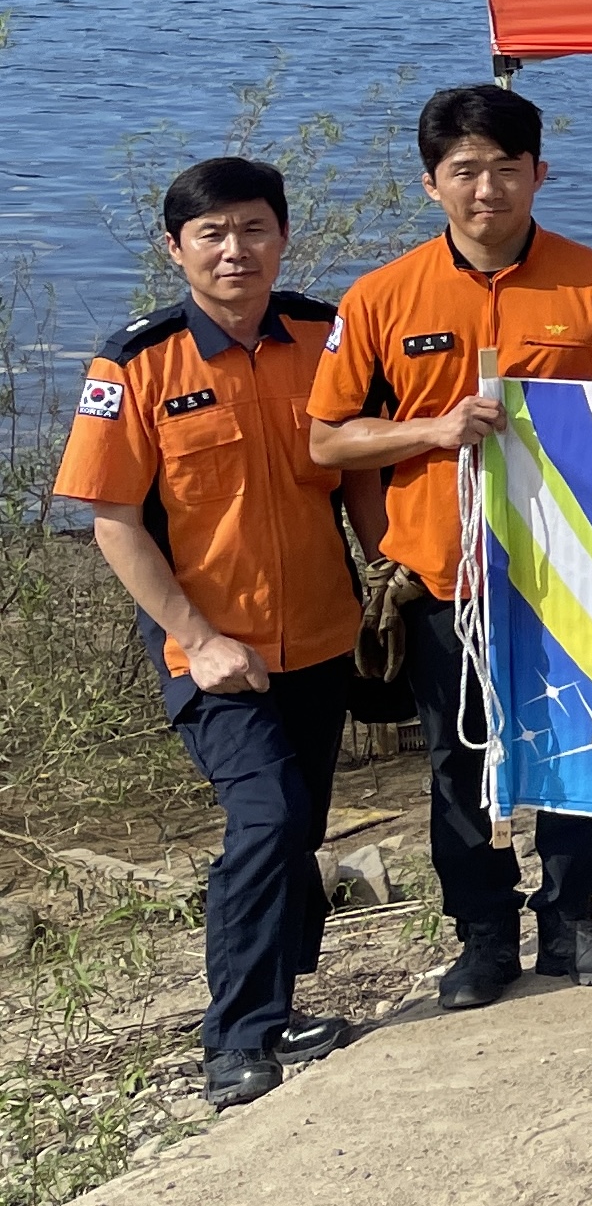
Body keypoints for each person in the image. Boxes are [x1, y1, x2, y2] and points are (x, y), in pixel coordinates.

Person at [309, 86, 592, 1008]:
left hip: (568, 574)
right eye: (465, 171)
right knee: (456, 765)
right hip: (442, 577)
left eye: (507, 169)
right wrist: (427, 433)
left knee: (574, 750)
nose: (488, 190)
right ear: (431, 183)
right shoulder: (382, 297)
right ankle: (479, 936)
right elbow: (327, 438)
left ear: (538, 173)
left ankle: (571, 917)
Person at [60, 159, 358, 1105]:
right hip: (212, 651)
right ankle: (235, 1037)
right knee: (265, 818)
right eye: (213, 233)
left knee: (299, 823)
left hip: (320, 632)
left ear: (283, 234)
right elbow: (111, 521)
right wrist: (200, 634)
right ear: (175, 247)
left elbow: (360, 470)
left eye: (254, 228)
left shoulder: (324, 335)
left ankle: (281, 1002)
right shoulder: (135, 362)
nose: (236, 249)